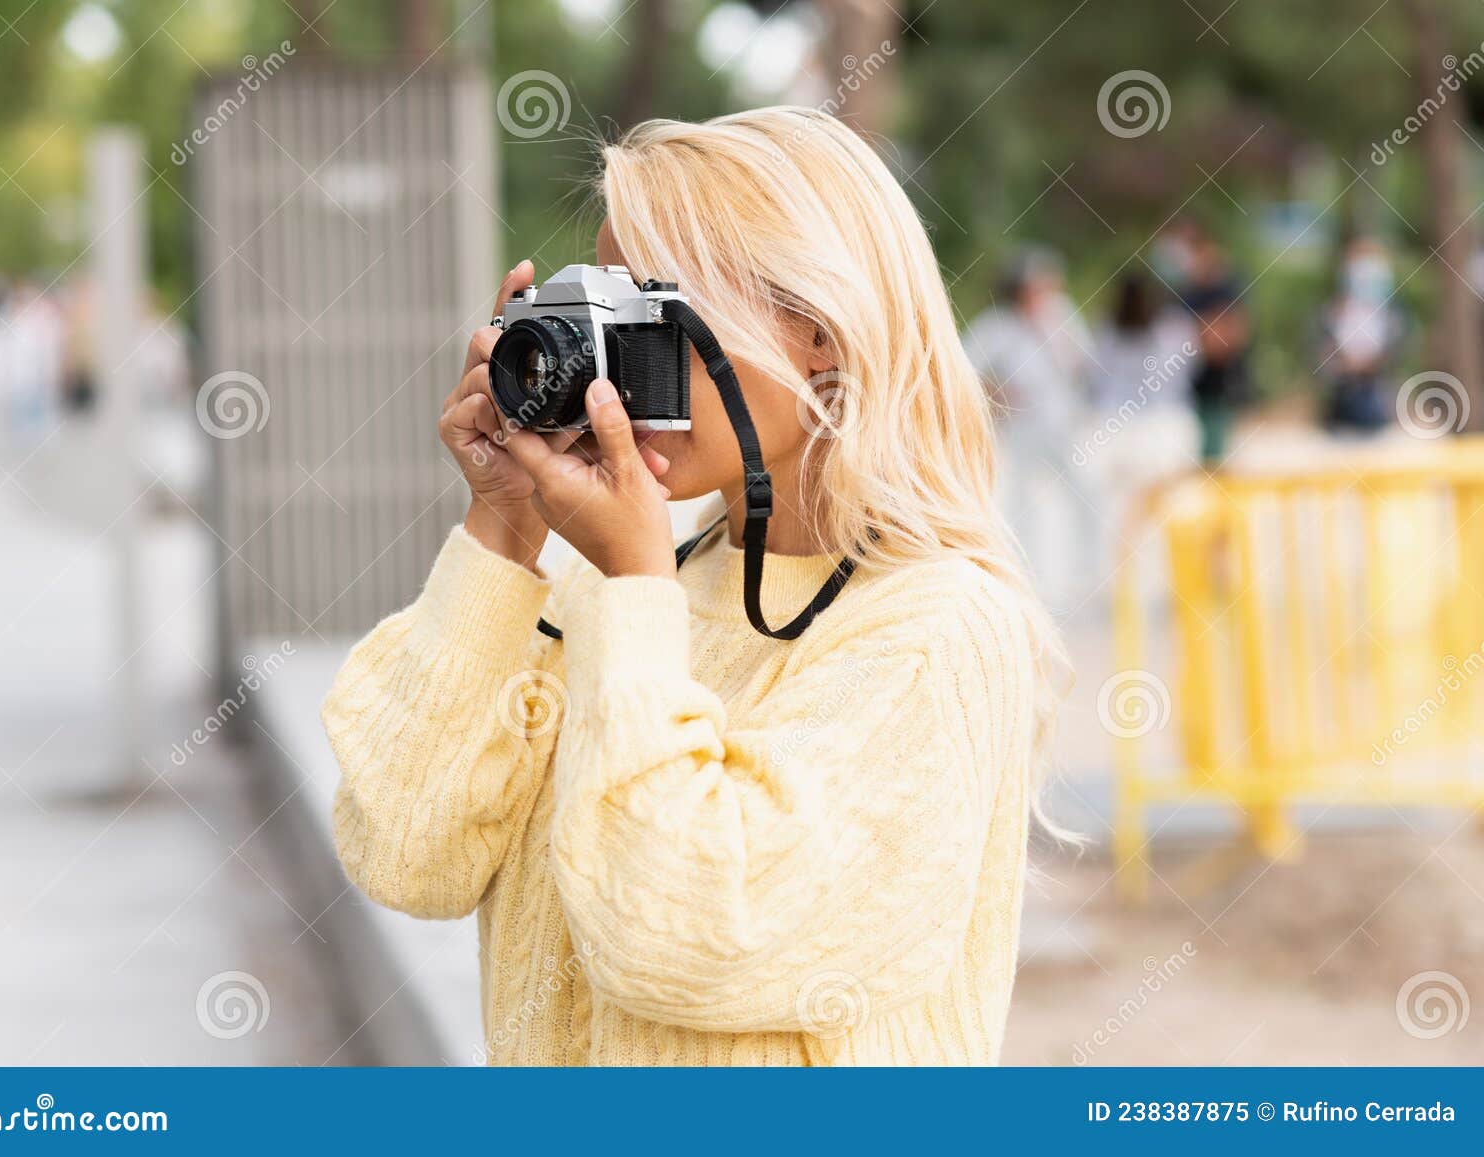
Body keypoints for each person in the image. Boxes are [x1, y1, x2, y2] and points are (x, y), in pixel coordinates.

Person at [321, 108, 1062, 1066]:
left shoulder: (938, 630)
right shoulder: (618, 587)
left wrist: (633, 586)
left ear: (819, 332)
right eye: (603, 310)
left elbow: (684, 933)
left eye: (655, 307)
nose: (620, 363)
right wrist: (503, 524)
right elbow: (408, 848)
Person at [962, 248, 1097, 609]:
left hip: (1061, 425)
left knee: (1082, 495)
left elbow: (1084, 363)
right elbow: (965, 368)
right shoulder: (997, 325)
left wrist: (1051, 333)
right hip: (1020, 428)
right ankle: (1027, 580)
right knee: (1022, 504)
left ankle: (1087, 573)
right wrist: (996, 392)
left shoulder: (1062, 316)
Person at [1083, 272, 1199, 568]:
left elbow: (1097, 380)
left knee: (1123, 513)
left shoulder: (1111, 331)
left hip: (1124, 427)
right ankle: (1154, 583)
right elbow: (1186, 372)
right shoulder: (1173, 329)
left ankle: (1123, 584)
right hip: (1155, 428)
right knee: (1162, 512)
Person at [1174, 228, 1251, 464]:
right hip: (1189, 384)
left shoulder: (1226, 291)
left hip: (1220, 382)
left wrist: (1212, 340)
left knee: (1216, 449)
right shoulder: (1187, 294)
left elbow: (1234, 332)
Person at [1317, 237, 1402, 432]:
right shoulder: (1332, 312)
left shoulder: (1393, 315)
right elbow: (1322, 358)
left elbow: (1394, 355)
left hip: (1380, 407)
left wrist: (1368, 365)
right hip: (1338, 408)